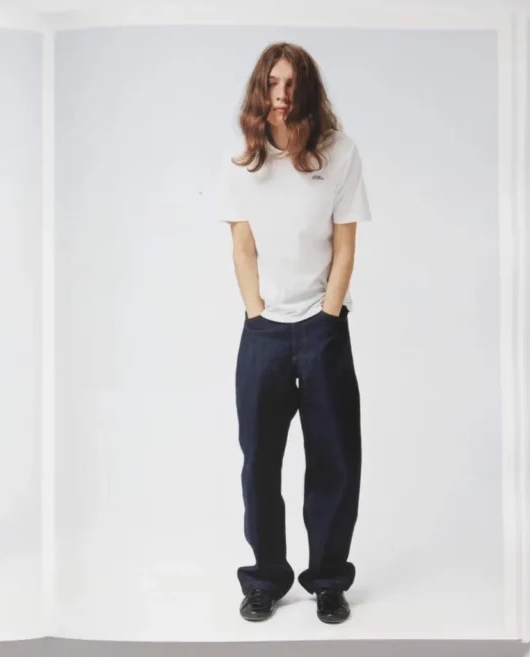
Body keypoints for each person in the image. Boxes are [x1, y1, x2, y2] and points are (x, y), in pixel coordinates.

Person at [218, 42, 371, 625]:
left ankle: (328, 580)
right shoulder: (241, 161)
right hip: (263, 332)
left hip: (322, 325)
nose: (281, 97)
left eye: (291, 86)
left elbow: (347, 244)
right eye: (272, 85)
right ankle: (265, 579)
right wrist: (256, 311)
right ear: (259, 92)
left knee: (333, 458)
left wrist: (328, 315)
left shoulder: (340, 154)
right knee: (260, 461)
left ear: (306, 91)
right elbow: (242, 244)